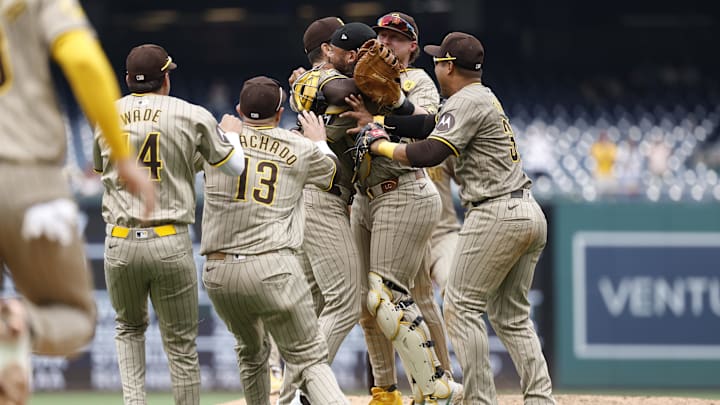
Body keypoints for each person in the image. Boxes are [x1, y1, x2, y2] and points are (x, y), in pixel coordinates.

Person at [361, 31, 556, 404]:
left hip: (496, 211)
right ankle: (540, 398)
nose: (434, 65)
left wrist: (380, 145)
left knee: (461, 306)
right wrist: (388, 112)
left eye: (438, 59)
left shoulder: (464, 100)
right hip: (527, 210)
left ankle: (480, 399)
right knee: (511, 317)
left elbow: (430, 151)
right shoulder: (481, 97)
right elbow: (427, 125)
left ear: (449, 66)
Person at [0, 1, 155, 403]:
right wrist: (122, 155)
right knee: (72, 318)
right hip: (25, 173)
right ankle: (20, 324)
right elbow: (82, 60)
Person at [93, 44, 246, 405]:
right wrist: (233, 135)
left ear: (128, 80)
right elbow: (233, 166)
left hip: (120, 239)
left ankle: (134, 402)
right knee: (180, 342)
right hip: (169, 239)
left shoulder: (105, 115)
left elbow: (106, 170)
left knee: (129, 329)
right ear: (166, 78)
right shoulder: (190, 113)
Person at [199, 76, 348, 405]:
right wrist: (320, 141)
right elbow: (338, 177)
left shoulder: (218, 142)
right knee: (309, 359)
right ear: (280, 114)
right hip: (273, 266)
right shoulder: (300, 147)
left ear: (238, 109)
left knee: (251, 355)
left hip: (219, 272)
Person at [339, 11, 458, 404]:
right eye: (382, 36)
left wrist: (375, 115)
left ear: (412, 47)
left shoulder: (416, 79)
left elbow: (426, 125)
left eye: (395, 37)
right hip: (364, 197)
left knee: (410, 296)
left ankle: (439, 383)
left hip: (402, 188)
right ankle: (385, 391)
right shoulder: (354, 76)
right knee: (364, 303)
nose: (386, 42)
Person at [278, 18, 369, 405]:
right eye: (339, 43)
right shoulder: (321, 78)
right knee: (346, 300)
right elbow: (340, 87)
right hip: (322, 197)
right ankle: (308, 390)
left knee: (314, 307)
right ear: (327, 51)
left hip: (316, 198)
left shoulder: (309, 82)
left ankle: (287, 397)